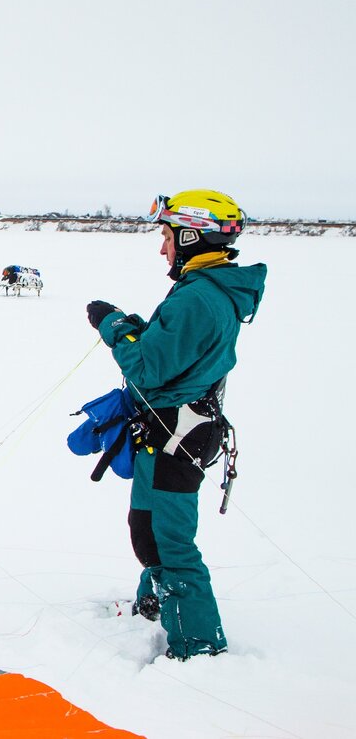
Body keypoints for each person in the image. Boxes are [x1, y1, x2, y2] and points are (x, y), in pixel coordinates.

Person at [85, 190, 267, 661]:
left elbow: (145, 370)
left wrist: (113, 328)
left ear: (191, 235)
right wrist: (139, 329)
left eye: (166, 236)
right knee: (146, 527)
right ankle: (152, 606)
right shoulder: (202, 288)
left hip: (177, 436)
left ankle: (200, 647)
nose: (162, 247)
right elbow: (174, 354)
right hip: (169, 431)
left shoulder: (200, 297)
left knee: (169, 542)